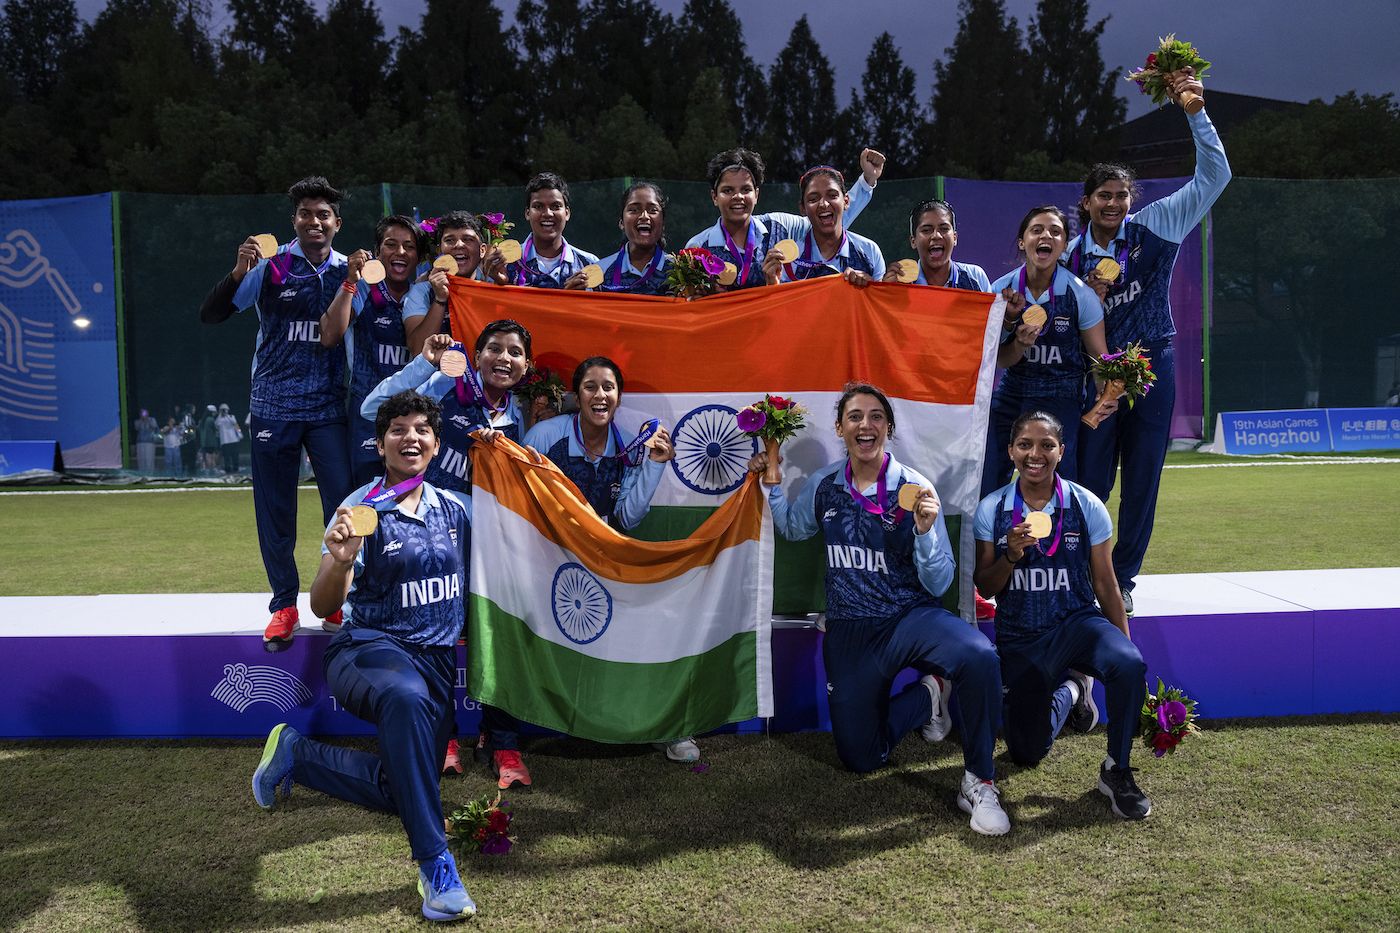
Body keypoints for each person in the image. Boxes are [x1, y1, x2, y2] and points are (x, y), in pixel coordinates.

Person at [252, 390, 477, 922]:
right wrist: (338, 561)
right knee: (402, 698)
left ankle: (298, 756)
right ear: (380, 444)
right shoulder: (361, 510)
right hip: (368, 651)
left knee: (404, 786)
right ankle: (436, 867)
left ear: (437, 443)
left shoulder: (458, 511)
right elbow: (324, 604)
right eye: (398, 429)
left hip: (436, 666)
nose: (411, 437)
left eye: (422, 428)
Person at [752, 382, 1010, 836]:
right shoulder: (824, 484)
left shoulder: (915, 487)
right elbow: (793, 529)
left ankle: (978, 780)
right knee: (860, 758)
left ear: (888, 428)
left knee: (979, 656)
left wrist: (927, 532)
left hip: (910, 617)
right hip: (851, 628)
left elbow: (941, 582)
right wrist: (770, 479)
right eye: (855, 416)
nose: (865, 424)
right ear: (840, 428)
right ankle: (929, 696)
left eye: (875, 417)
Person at [1069, 67, 1230, 616]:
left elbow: (1214, 178)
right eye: (1102, 196)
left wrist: (1195, 112)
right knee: (1088, 478)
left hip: (1151, 367)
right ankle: (1077, 574)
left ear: (1130, 199)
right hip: (1095, 378)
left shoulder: (1156, 224)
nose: (1112, 204)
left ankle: (1124, 579)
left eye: (1120, 195)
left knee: (1142, 479)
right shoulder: (1068, 254)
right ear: (1086, 202)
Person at [363, 321, 530, 785]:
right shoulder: (450, 389)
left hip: (495, 545)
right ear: (475, 357)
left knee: (497, 637)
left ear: (525, 366)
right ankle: (445, 736)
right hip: (433, 538)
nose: (503, 358)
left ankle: (504, 742)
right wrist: (428, 365)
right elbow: (375, 410)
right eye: (493, 348)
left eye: (514, 352)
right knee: (433, 638)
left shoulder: (524, 416)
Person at [198, 176, 355, 645]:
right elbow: (213, 314)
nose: (314, 221)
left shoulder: (351, 271)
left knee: (344, 510)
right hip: (273, 406)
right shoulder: (272, 266)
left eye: (323, 214)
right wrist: (237, 270)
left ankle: (337, 604)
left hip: (328, 408)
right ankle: (284, 604)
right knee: (275, 512)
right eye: (306, 213)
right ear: (295, 221)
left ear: (337, 223)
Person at [973, 410, 1150, 820]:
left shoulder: (1086, 505)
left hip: (1076, 624)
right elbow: (986, 587)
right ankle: (1071, 691)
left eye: (1046, 445)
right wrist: (1011, 556)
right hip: (1021, 637)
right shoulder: (993, 509)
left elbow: (1106, 584)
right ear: (1011, 451)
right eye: (1025, 445)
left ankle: (1116, 771)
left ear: (1061, 451)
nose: (1036, 454)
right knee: (1026, 753)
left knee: (1128, 664)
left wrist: (1127, 651)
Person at [522, 357, 691, 763]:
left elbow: (628, 517)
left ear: (618, 396)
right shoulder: (545, 436)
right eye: (591, 387)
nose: (600, 395)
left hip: (607, 562)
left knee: (655, 618)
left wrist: (654, 465)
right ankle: (510, 733)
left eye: (608, 387)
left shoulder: (632, 445)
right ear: (576, 395)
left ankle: (662, 725)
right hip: (549, 563)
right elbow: (523, 503)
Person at [982, 206, 1107, 497]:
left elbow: (1099, 359)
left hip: (1062, 397)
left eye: (1055, 231)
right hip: (1014, 393)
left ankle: (1062, 539)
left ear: (1063, 245)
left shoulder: (1080, 295)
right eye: (1036, 230)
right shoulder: (1001, 290)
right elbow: (997, 359)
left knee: (1060, 485)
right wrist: (1019, 344)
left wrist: (1106, 393)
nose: (1046, 235)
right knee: (987, 475)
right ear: (1022, 241)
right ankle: (989, 539)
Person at [320, 214, 427, 487]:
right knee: (367, 499)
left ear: (419, 256)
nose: (400, 252)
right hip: (368, 413)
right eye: (391, 244)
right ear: (377, 252)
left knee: (413, 495)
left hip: (416, 416)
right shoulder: (362, 290)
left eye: (409, 246)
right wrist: (350, 282)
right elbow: (329, 335)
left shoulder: (427, 296)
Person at [686, 147, 885, 289]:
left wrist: (867, 182)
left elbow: (826, 221)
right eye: (728, 190)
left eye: (746, 189)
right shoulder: (697, 249)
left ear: (756, 195)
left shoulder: (780, 226)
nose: (738, 197)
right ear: (714, 197)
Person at [481, 172, 599, 289]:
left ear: (567, 213)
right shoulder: (504, 265)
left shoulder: (589, 265)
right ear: (527, 213)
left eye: (555, 206)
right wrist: (501, 285)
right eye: (538, 206)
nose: (547, 213)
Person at [772, 165, 885, 286]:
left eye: (832, 196)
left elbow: (879, 303)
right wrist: (772, 285)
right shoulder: (789, 261)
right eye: (813, 199)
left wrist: (871, 289)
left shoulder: (869, 251)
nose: (824, 204)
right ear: (803, 208)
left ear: (846, 201)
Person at [406, 212, 489, 351]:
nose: (459, 245)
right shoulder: (421, 292)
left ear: (482, 250)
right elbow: (417, 350)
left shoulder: (490, 290)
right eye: (450, 240)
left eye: (468, 239)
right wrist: (439, 299)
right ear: (440, 250)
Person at [883, 199, 992, 291]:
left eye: (944, 229)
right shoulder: (900, 284)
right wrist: (887, 295)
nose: (936, 235)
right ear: (913, 241)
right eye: (926, 230)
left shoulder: (975, 277)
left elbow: (992, 316)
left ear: (955, 238)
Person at [593, 181, 674, 295]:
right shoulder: (600, 271)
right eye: (634, 210)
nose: (644, 216)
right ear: (621, 222)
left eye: (652, 210)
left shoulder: (680, 273)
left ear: (663, 223)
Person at [216, 404, 243, 474]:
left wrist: (240, 433)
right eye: (223, 410)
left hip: (233, 439)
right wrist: (220, 414)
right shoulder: (219, 419)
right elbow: (216, 425)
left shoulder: (231, 416)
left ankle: (236, 468)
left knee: (235, 456)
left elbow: (235, 424)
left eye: (225, 409)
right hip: (225, 441)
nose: (224, 411)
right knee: (226, 457)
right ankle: (227, 469)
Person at [133, 408, 159, 473]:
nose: (143, 414)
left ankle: (150, 474)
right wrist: (142, 420)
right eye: (142, 413)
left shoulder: (152, 420)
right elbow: (136, 427)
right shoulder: (137, 421)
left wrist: (147, 419)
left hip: (150, 442)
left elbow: (154, 427)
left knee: (149, 459)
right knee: (141, 460)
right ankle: (141, 474)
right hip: (140, 442)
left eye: (145, 413)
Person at [198, 404, 220, 474]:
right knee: (212, 457)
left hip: (204, 442)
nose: (214, 414)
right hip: (211, 442)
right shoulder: (211, 420)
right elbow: (216, 429)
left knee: (206, 456)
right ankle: (213, 470)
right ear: (211, 412)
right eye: (214, 412)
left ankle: (207, 470)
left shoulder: (201, 421)